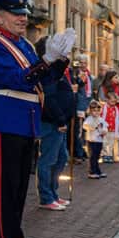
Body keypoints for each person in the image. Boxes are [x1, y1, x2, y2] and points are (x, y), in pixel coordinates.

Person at [0, 0, 75, 238]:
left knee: (20, 186)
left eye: (24, 13)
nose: (23, 18)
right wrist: (46, 60)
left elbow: (45, 79)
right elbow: (18, 80)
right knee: (7, 187)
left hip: (25, 119)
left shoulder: (23, 45)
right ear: (0, 16)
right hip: (7, 117)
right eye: (16, 13)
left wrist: (60, 59)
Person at [34, 36, 76, 211]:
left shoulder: (55, 68)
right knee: (49, 160)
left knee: (61, 158)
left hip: (60, 121)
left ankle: (53, 193)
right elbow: (49, 98)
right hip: (52, 122)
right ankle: (46, 197)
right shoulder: (46, 70)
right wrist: (60, 119)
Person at [83, 100, 108, 179]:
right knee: (93, 156)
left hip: (99, 140)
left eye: (98, 110)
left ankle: (97, 170)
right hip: (92, 140)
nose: (96, 112)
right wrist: (91, 127)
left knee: (97, 156)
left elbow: (105, 126)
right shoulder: (89, 119)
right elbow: (85, 126)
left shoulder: (101, 119)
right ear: (90, 111)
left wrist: (104, 131)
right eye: (94, 111)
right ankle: (92, 171)